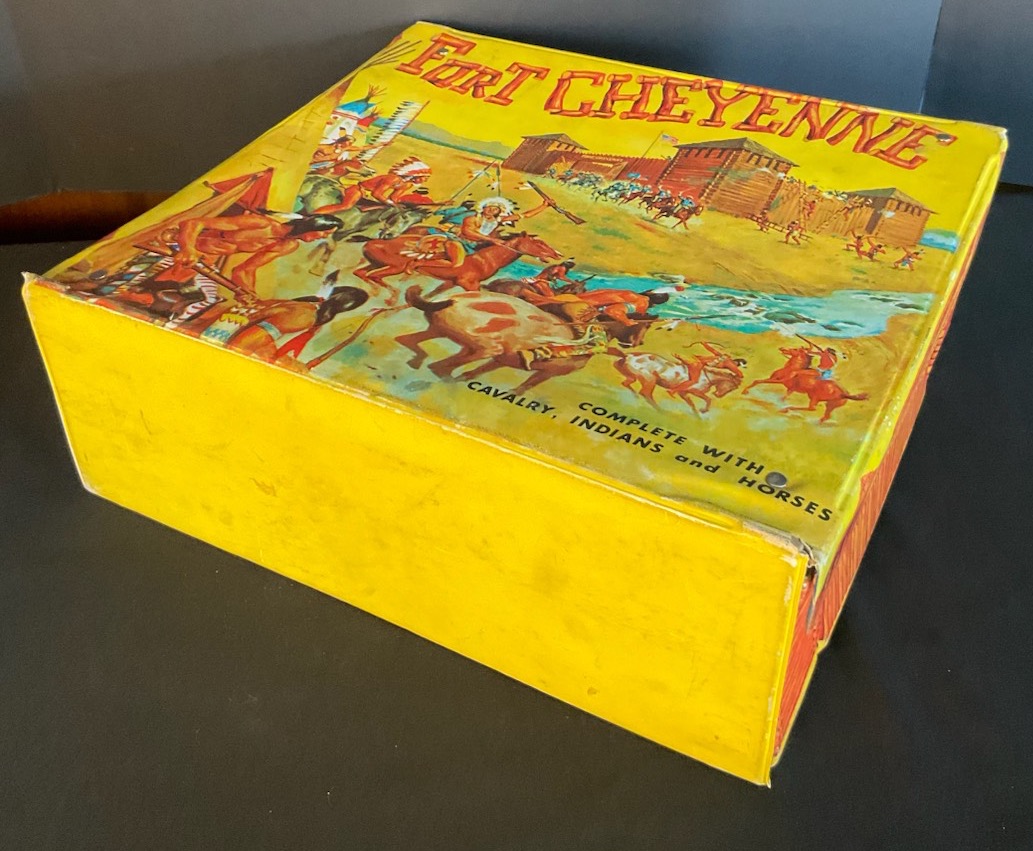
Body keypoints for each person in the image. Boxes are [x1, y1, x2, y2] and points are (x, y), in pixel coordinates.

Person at [156, 211, 343, 297]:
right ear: (314, 226)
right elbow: (192, 223)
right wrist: (188, 248)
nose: (323, 238)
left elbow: (245, 270)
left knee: (202, 298)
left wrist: (248, 293)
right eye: (324, 233)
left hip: (201, 263)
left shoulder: (287, 246)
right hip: (174, 245)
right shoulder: (261, 224)